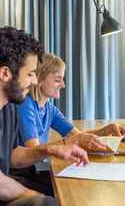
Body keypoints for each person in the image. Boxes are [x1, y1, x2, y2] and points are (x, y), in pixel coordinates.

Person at [0, 26, 89, 206]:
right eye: (31, 74)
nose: (34, 81)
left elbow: (10, 156)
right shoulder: (20, 104)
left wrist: (49, 150)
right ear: (5, 73)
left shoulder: (8, 108)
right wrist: (33, 195)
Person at [18, 52, 125, 151]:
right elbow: (33, 151)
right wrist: (71, 141)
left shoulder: (49, 108)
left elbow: (78, 136)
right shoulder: (25, 105)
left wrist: (106, 130)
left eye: (62, 79)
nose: (63, 85)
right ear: (38, 79)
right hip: (26, 171)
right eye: (57, 80)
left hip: (38, 167)